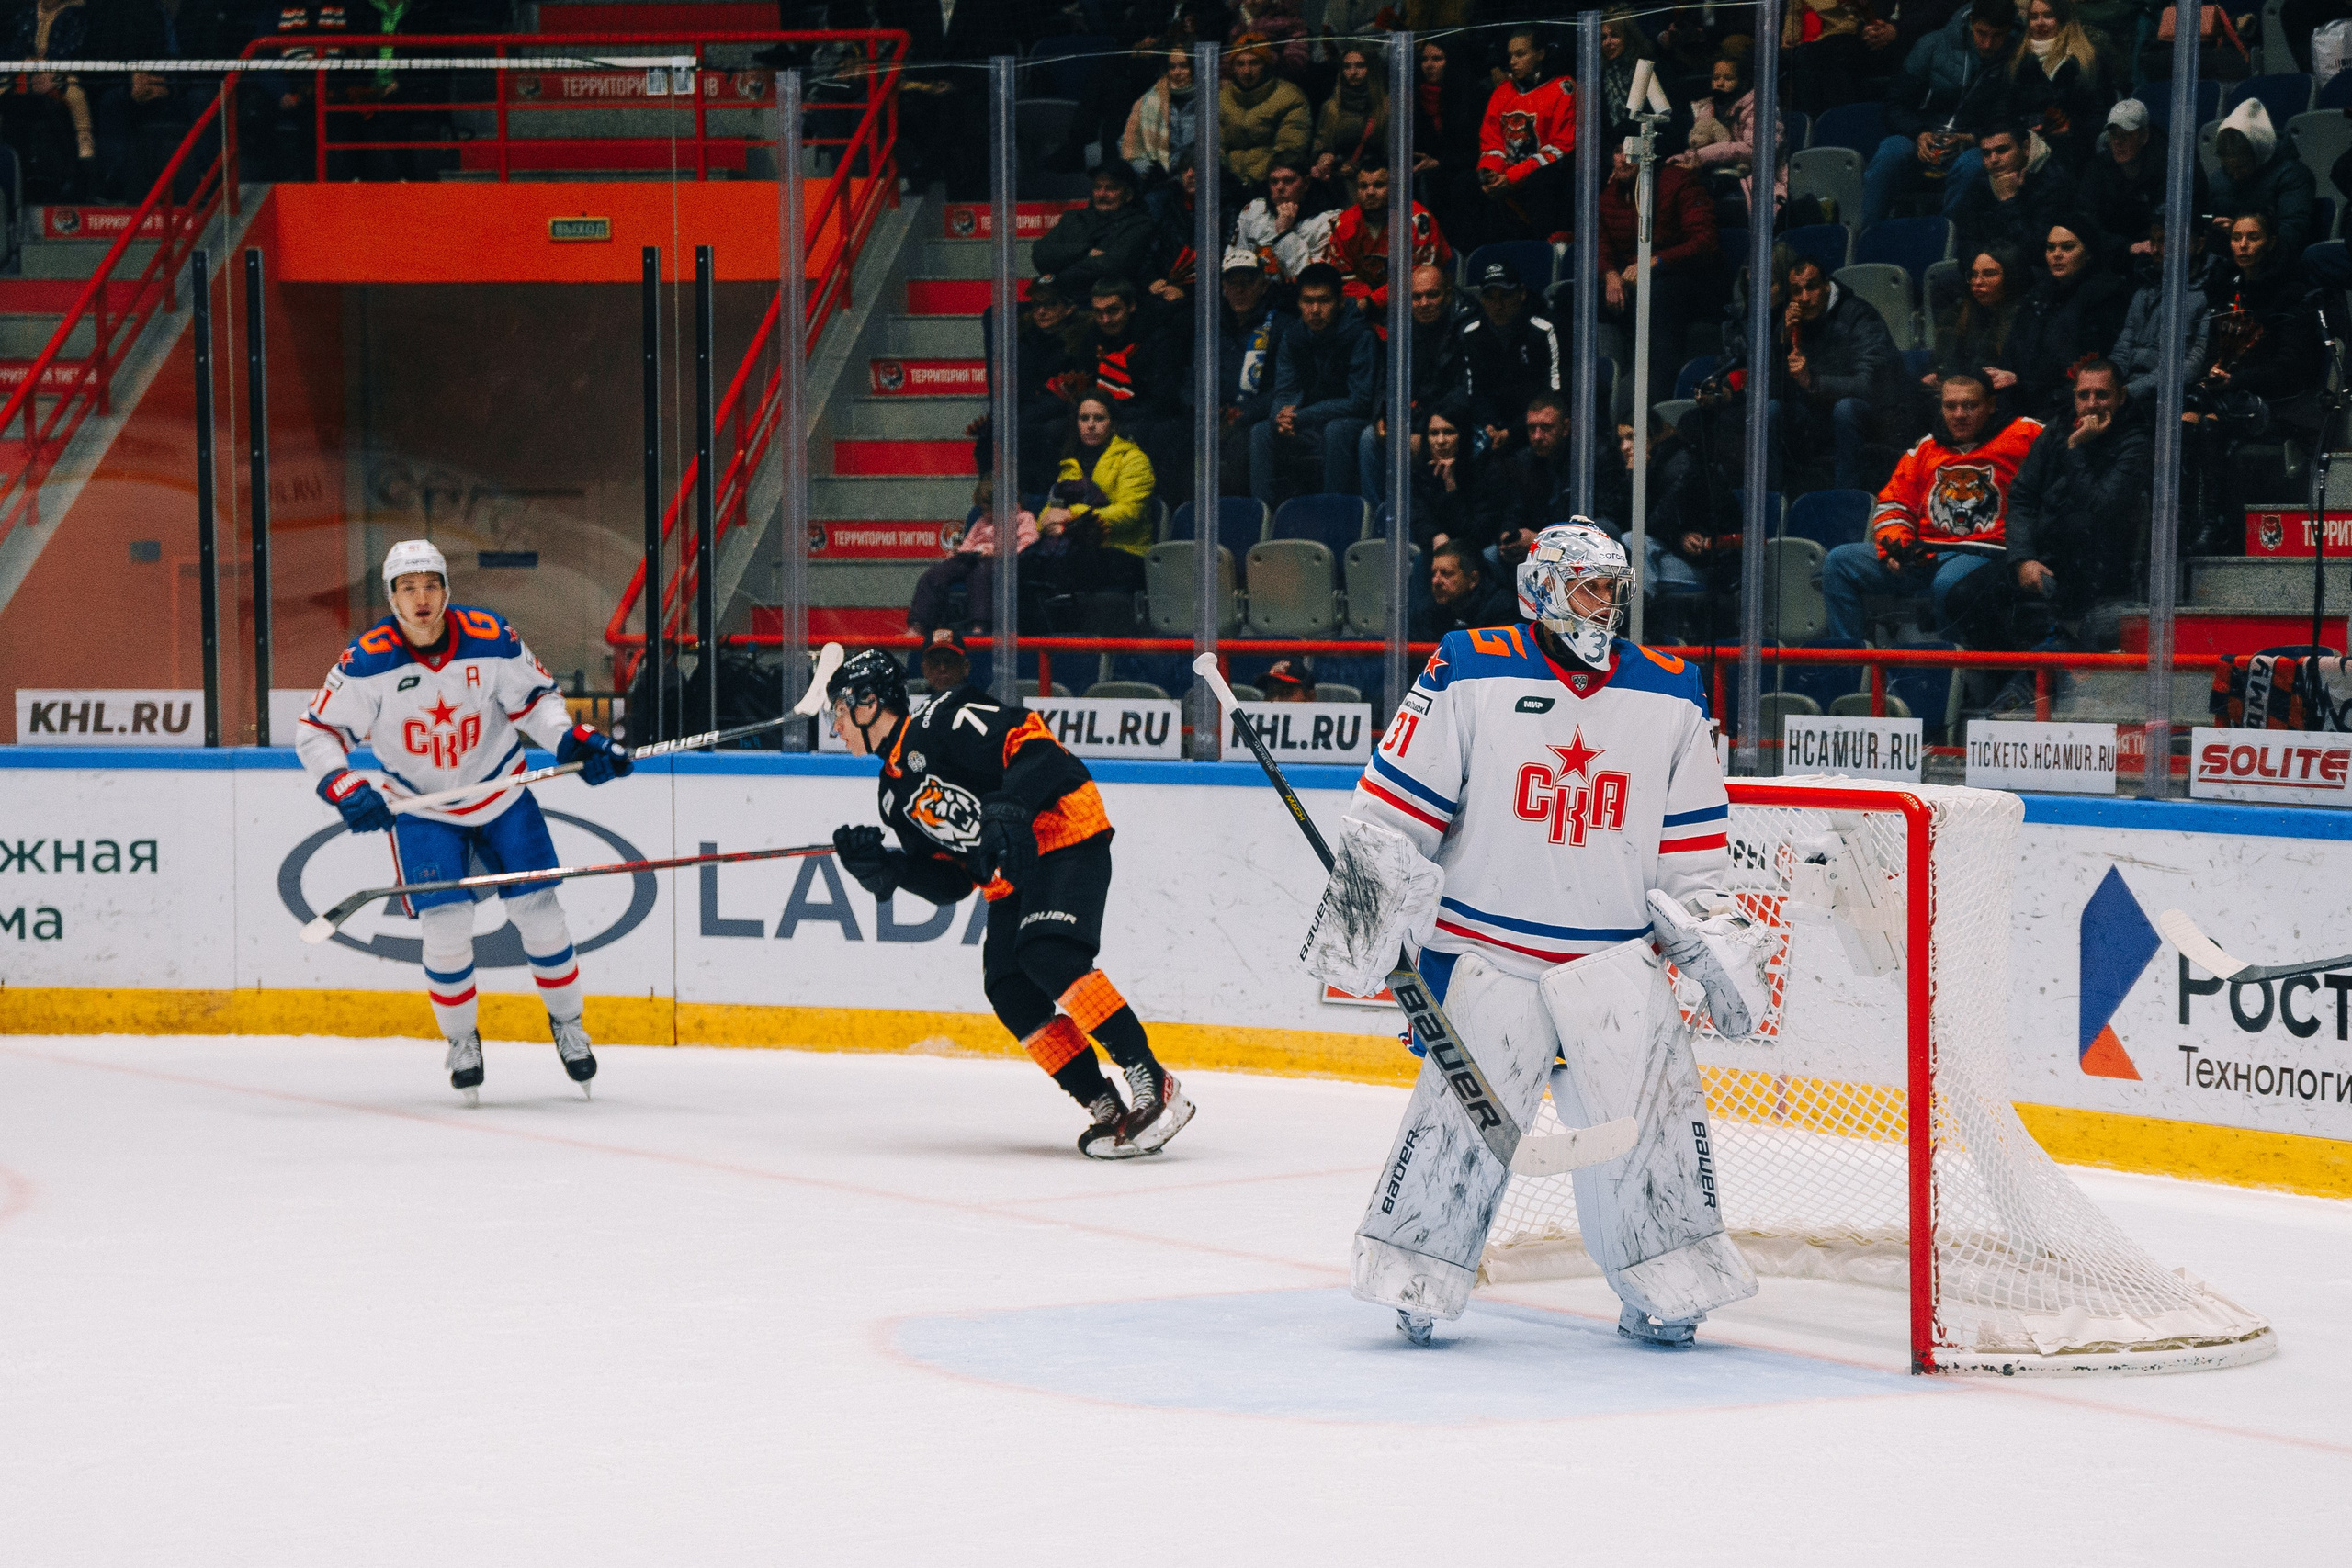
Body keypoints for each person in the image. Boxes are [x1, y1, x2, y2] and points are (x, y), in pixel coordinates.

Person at [1299, 520, 1770, 1348]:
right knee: (1457, 1126)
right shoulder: (1469, 664)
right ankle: (1419, 1270)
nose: (1608, 604)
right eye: (1591, 586)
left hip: (1614, 958)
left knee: (1650, 1129)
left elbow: (1694, 853)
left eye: (1615, 588)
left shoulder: (1671, 690)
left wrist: (1712, 944)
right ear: (1545, 587)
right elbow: (1391, 812)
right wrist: (1370, 920)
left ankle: (1668, 1280)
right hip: (1486, 954)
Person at [826, 649, 1194, 1159]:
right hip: (1013, 877)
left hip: (1064, 830)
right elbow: (953, 882)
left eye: (840, 712)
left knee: (1049, 954)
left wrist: (1009, 807)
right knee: (1009, 989)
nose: (836, 726)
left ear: (869, 703)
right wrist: (889, 870)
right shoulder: (892, 794)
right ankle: (1105, 1105)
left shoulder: (944, 717)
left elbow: (1037, 749)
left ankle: (1153, 1080)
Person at [295, 540, 628, 1101]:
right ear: (392, 598)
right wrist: (345, 784)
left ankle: (569, 1025)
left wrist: (577, 741)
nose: (421, 599)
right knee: (447, 934)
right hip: (424, 811)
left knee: (541, 917)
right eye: (408, 588)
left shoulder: (491, 638)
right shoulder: (367, 662)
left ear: (446, 590)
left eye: (430, 586)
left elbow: (537, 702)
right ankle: (461, 1040)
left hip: (503, 795)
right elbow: (317, 732)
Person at [1822, 372, 2044, 641]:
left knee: (1947, 585)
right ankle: (1851, 667)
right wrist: (1897, 545)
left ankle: (1950, 672)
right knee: (1839, 562)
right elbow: (1894, 503)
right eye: (1951, 406)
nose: (1959, 414)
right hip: (1925, 554)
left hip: (1986, 553)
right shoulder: (1925, 449)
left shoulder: (2024, 433)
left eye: (1970, 405)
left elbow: (2068, 443)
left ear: (1991, 405)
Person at [1992, 357, 2152, 656]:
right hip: (2043, 558)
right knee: (1966, 594)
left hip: (2098, 571)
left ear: (2121, 397)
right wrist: (2023, 558)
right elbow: (2022, 497)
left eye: (2102, 395)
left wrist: (2077, 448)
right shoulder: (2056, 429)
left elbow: (2101, 509)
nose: (2091, 404)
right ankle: (1998, 681)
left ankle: (2039, 671)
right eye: (2083, 395)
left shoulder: (2136, 442)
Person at [1864, 0, 2020, 228]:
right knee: (1891, 150)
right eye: (1982, 33)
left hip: (1976, 142)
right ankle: (1869, 234)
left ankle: (1946, 238)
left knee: (1973, 164)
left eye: (1997, 36)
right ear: (1970, 23)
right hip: (1922, 134)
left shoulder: (2018, 57)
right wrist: (1919, 132)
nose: (1987, 44)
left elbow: (2010, 118)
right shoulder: (1933, 45)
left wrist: (1971, 139)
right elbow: (1895, 103)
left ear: (2009, 31)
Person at [1598, 139, 1721, 400]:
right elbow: (1600, 242)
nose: (1622, 158)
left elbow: (1704, 241)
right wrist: (1609, 274)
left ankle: (1656, 392)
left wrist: (1654, 262)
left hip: (1683, 277)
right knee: (1572, 296)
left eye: (1629, 152)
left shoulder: (1677, 181)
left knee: (1656, 295)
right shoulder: (1611, 194)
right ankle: (1606, 383)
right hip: (1632, 277)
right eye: (1617, 151)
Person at [1772, 254, 1902, 492]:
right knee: (1771, 411)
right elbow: (1773, 388)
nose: (1804, 298)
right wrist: (1781, 342)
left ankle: (1846, 499)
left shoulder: (1859, 315)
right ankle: (1777, 503)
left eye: (1811, 287)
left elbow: (1871, 384)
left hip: (1868, 416)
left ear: (1826, 285)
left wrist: (1813, 382)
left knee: (1846, 409)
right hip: (1816, 416)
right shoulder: (1790, 322)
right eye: (1796, 291)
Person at [1250, 262, 1378, 502]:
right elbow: (1286, 390)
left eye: (1324, 301)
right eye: (1308, 302)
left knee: (1336, 430)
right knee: (1261, 431)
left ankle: (1332, 511)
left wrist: (1301, 416)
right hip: (1308, 421)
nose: (1315, 309)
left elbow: (1359, 401)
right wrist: (1281, 416)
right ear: (1299, 304)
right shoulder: (1294, 336)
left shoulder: (1360, 334)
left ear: (1340, 302)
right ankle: (1264, 516)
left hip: (1350, 422)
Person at [1358, 263, 1476, 502]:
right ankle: (1381, 517)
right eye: (1416, 297)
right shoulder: (1402, 328)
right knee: (1370, 438)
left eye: (1432, 295)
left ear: (1447, 294)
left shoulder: (1467, 327)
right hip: (1418, 419)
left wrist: (1423, 432)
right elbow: (1387, 383)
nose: (1423, 303)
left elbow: (1463, 391)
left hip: (1451, 423)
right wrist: (1383, 416)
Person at [1029, 393, 1155, 601]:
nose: (1090, 425)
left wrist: (1071, 515)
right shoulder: (1071, 464)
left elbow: (1130, 513)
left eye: (1099, 418)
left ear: (1113, 424)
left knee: (1070, 564)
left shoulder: (1133, 460)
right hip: (1078, 547)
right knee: (1026, 563)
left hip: (1125, 551)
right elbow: (1052, 508)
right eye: (1084, 418)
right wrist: (1047, 523)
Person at [2004, 220, 2132, 421]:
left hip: (2070, 407)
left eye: (2067, 247)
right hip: (2024, 398)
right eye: (2050, 247)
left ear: (2089, 253)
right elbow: (2013, 350)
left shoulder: (2106, 295)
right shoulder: (2038, 294)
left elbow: (2092, 365)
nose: (2057, 254)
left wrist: (2024, 383)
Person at [1323, 154, 1453, 323]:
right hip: (1364, 305)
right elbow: (1343, 276)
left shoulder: (1417, 220)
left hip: (1416, 302)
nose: (1370, 192)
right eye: (1363, 186)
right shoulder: (1343, 224)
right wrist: (1365, 302)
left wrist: (1373, 301)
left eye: (1379, 185)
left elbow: (1421, 276)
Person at [1477, 27, 1577, 242]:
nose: (1512, 61)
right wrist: (1491, 172)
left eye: (1520, 54)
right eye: (1510, 55)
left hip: (1543, 177)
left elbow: (1560, 146)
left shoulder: (1562, 88)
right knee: (1466, 186)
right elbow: (1492, 140)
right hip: (1508, 174)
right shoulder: (1503, 90)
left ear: (1540, 54)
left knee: (1542, 182)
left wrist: (1512, 177)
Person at [2074, 98, 2203, 264]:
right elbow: (2086, 220)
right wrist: (2125, 246)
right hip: (2111, 254)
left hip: (2160, 254)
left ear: (2144, 136)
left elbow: (2174, 222)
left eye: (2126, 135)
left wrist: (2148, 244)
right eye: (2113, 134)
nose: (2118, 142)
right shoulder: (2098, 168)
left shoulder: (2174, 167)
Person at [909, 478, 1039, 639]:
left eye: (988, 509)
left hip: (998, 561)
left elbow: (1027, 544)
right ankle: (919, 624)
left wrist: (996, 551)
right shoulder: (981, 521)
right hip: (972, 557)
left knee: (979, 575)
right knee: (935, 574)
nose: (984, 513)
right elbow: (969, 541)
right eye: (982, 509)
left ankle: (979, 625)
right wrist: (961, 551)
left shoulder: (1023, 518)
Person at [1460, 258, 1563, 456]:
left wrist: (1512, 432)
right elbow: (1476, 391)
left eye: (1505, 296)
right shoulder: (1472, 334)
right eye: (1490, 297)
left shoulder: (1543, 330)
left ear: (1521, 294)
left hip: (1535, 425)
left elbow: (1552, 392)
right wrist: (1488, 426)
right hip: (1492, 429)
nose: (1498, 305)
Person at [2004, 0, 2120, 174]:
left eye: (2049, 16)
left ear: (2063, 18)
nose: (2040, 22)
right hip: (2023, 150)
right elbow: (2004, 110)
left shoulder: (2087, 59)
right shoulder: (2015, 59)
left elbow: (2101, 113)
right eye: (2034, 16)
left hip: (2074, 152)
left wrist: (2071, 129)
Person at [2110, 218, 2213, 411]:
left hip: (2170, 401)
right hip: (2126, 394)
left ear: (2198, 244)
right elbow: (2122, 350)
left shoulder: (2209, 294)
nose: (2155, 250)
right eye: (2154, 241)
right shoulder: (2144, 292)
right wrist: (2106, 386)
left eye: (2166, 241)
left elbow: (2192, 365)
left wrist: (2126, 392)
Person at [1950, 118, 2076, 265]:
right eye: (1986, 153)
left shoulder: (2054, 180)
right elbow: (1967, 242)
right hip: (1990, 268)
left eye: (2002, 150)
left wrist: (2009, 200)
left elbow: (2039, 252)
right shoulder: (1982, 180)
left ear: (2026, 148)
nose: (1993, 159)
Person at [1032, 163, 1162, 305]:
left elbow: (1113, 265)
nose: (1102, 194)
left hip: (1107, 306)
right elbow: (1039, 254)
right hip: (1060, 304)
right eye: (1097, 187)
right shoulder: (1073, 218)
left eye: (1111, 188)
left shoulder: (1139, 224)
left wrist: (1056, 278)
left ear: (1129, 195)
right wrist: (1084, 251)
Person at [2207, 100, 2320, 265]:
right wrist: (2214, 227)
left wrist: (2242, 232)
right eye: (2229, 168)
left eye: (2242, 167)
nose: (2235, 175)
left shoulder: (2293, 176)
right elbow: (2209, 218)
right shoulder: (2220, 179)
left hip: (2276, 265)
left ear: (2258, 155)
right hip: (2228, 262)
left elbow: (2293, 234)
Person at [1217, 245, 1290, 497]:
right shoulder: (1210, 325)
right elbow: (1191, 378)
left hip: (1253, 417)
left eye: (1247, 282)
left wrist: (1242, 415)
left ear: (1263, 285)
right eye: (1232, 283)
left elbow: (1284, 385)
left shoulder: (1280, 325)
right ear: (1223, 288)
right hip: (1214, 417)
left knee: (1241, 442)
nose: (1239, 290)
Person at [1924, 243, 2028, 418]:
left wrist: (2017, 379)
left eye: (1989, 274)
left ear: (2010, 277)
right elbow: (1944, 361)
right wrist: (1935, 375)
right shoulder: (1959, 314)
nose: (1978, 282)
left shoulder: (2026, 318)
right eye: (1973, 275)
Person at [1408, 35, 1487, 246]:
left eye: (1437, 59)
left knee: (1461, 186)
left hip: (1467, 171)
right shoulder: (1415, 97)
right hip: (1432, 174)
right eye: (1425, 59)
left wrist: (1441, 162)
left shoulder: (1473, 96)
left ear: (1451, 61)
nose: (1429, 65)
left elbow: (1480, 151)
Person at [1406, 397, 1505, 554]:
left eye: (1449, 432)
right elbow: (1419, 517)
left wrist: (1451, 487)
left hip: (1476, 553)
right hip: (1438, 551)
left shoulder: (1487, 469)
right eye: (1433, 433)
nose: (1440, 440)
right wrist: (1435, 534)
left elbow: (1476, 535)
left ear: (1462, 436)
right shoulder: (1422, 472)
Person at [1219, 34, 1312, 189]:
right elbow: (1214, 149)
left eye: (1254, 63)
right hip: (1227, 186)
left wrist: (1253, 180)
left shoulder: (1289, 97)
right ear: (1232, 68)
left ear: (1266, 65)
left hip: (1271, 186)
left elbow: (1288, 150)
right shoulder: (1221, 99)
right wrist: (1227, 180)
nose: (1247, 71)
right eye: (1240, 64)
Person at [1230, 156, 1342, 284]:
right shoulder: (1254, 210)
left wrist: (1285, 234)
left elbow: (1313, 283)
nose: (1280, 187)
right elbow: (1234, 263)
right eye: (1274, 181)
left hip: (1301, 299)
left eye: (1288, 181)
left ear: (1306, 183)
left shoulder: (1327, 221)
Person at [1310, 39, 1388, 192]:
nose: (1353, 72)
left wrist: (1358, 167)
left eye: (1360, 66)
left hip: (1374, 183)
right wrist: (1323, 157)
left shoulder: (1385, 107)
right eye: (1347, 66)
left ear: (1371, 68)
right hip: (1338, 184)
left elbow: (1390, 153)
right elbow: (1321, 143)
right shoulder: (1331, 107)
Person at [1119, 45, 1200, 185]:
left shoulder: (1209, 99)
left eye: (1183, 66)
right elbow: (1126, 144)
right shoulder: (1149, 101)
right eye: (1172, 67)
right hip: (1162, 182)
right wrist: (1147, 170)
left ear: (1193, 68)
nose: (1177, 72)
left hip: (1200, 179)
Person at [1501, 390, 1575, 541]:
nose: (1537, 437)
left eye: (1546, 428)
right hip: (1531, 546)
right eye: (1531, 428)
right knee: (1492, 555)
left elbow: (1600, 523)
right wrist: (1507, 534)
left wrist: (1540, 540)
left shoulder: (1587, 458)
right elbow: (1513, 510)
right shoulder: (1522, 462)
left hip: (1574, 546)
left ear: (1565, 428)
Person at [1410, 537, 1516, 638]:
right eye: (1434, 573)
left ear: (1473, 580)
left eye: (1446, 574)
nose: (1435, 581)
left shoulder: (1502, 608)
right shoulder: (1428, 611)